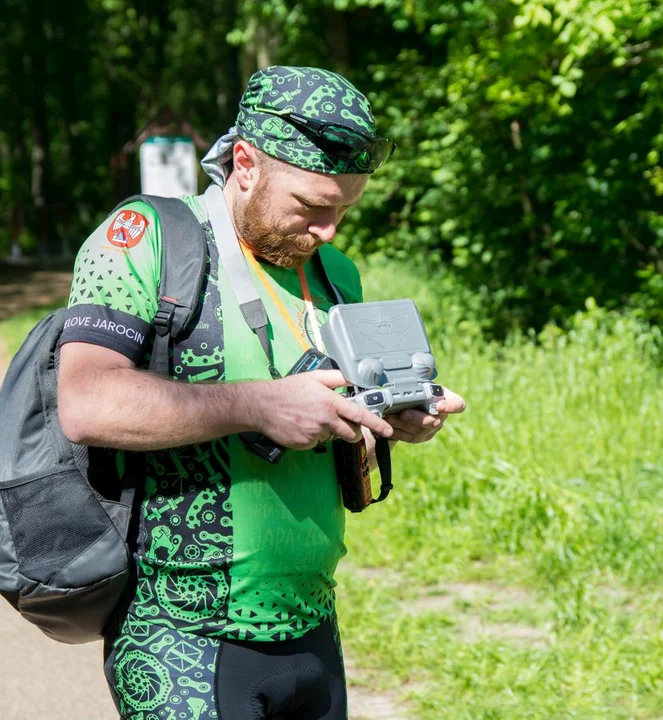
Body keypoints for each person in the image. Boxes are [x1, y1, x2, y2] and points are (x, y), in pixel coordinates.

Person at [57, 65, 466, 720]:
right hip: (180, 635)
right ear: (244, 162)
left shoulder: (336, 273)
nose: (330, 228)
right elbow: (86, 403)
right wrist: (259, 404)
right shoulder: (148, 238)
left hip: (313, 624)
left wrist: (397, 416)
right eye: (311, 206)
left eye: (345, 208)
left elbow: (335, 411)